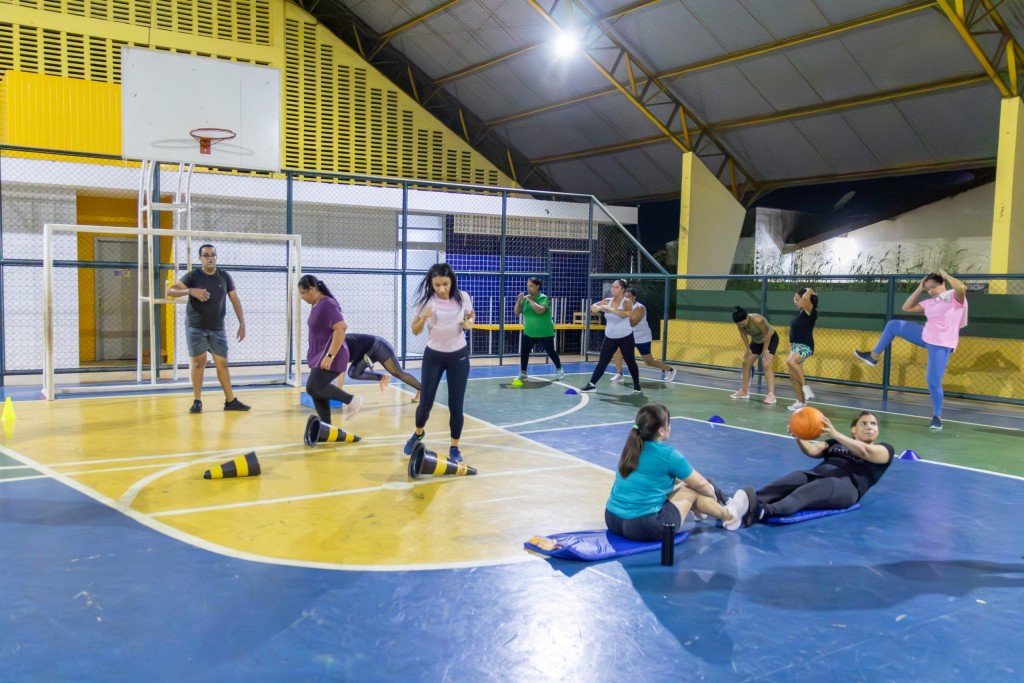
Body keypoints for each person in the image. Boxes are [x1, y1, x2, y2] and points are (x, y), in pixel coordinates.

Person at [605, 404, 752, 541]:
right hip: (643, 527)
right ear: (661, 430)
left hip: (612, 520)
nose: (670, 426)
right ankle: (730, 516)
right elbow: (701, 484)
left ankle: (699, 511)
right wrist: (713, 496)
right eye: (668, 423)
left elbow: (657, 479)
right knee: (692, 489)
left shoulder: (630, 449)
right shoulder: (668, 455)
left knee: (684, 485)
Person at [854, 270, 967, 431]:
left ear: (942, 284)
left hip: (941, 343)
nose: (931, 291)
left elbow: (961, 287)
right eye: (928, 288)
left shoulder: (954, 298)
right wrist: (920, 288)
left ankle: (937, 418)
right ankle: (873, 356)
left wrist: (946, 275)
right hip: (925, 335)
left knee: (933, 382)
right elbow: (906, 307)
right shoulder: (929, 302)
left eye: (934, 286)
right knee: (893, 325)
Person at [745, 411, 894, 525]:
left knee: (803, 494)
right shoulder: (835, 443)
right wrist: (798, 435)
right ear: (854, 429)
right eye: (864, 423)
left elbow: (865, 451)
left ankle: (764, 511)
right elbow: (812, 450)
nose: (869, 427)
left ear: (877, 430)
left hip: (846, 485)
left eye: (873, 424)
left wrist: (836, 434)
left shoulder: (885, 450)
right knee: (784, 483)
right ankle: (741, 503)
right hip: (818, 473)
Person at [403, 263, 474, 463]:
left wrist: (469, 322)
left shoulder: (463, 297)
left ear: (452, 281)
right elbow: (415, 330)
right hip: (433, 356)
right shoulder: (427, 301)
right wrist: (424, 317)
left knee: (456, 405)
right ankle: (418, 433)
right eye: (437, 285)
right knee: (425, 403)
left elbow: (470, 315)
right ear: (431, 284)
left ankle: (454, 447)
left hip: (458, 357)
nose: (441, 289)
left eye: (445, 284)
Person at [168, 243, 250, 413]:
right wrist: (190, 291)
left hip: (217, 328)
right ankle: (197, 400)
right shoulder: (193, 276)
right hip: (196, 327)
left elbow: (235, 299)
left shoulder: (224, 276)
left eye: (212, 255)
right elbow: (171, 291)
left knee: (223, 363)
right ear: (200, 258)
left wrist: (242, 323)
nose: (210, 258)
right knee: (199, 362)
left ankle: (230, 401)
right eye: (206, 255)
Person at [298, 275, 363, 425]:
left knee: (313, 387)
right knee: (317, 391)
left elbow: (341, 327)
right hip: (320, 355)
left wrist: (330, 356)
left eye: (303, 293)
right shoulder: (317, 304)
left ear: (312, 289)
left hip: (332, 355)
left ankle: (352, 400)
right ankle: (326, 426)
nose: (302, 297)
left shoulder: (327, 304)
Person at [580, 279, 642, 394]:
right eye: (613, 287)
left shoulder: (627, 302)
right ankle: (592, 384)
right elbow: (593, 307)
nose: (613, 289)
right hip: (610, 338)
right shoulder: (607, 301)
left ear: (622, 290)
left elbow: (627, 314)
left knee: (630, 361)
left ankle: (637, 385)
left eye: (616, 287)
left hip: (625, 337)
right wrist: (600, 308)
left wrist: (610, 309)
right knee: (603, 361)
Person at [609, 287, 676, 383]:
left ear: (634, 297)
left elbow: (633, 323)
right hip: (628, 336)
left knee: (649, 361)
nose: (626, 298)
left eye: (629, 296)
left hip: (642, 337)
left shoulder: (640, 308)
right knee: (617, 350)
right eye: (625, 296)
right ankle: (619, 374)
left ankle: (670, 370)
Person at [336, 332, 422, 402]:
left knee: (397, 372)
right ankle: (382, 378)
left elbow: (341, 371)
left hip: (379, 347)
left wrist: (338, 393)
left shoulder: (339, 345)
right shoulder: (330, 349)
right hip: (367, 353)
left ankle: (423, 390)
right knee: (353, 373)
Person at [515, 277, 564, 381]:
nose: (528, 288)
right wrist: (519, 301)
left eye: (531, 286)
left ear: (537, 286)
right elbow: (516, 312)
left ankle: (560, 370)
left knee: (551, 352)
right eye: (528, 286)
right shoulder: (525, 299)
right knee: (524, 352)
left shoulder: (543, 298)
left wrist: (530, 300)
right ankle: (523, 374)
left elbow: (540, 310)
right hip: (529, 332)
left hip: (544, 332)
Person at [730, 306, 779, 405]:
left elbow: (767, 334)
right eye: (739, 324)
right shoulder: (739, 323)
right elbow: (743, 334)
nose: (741, 325)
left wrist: (765, 349)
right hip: (757, 341)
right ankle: (744, 391)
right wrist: (748, 348)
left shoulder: (757, 320)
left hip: (770, 339)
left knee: (766, 364)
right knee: (746, 363)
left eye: (743, 322)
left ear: (747, 316)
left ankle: (771, 395)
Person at [786, 287, 819, 412]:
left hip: (805, 346)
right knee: (793, 375)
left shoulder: (810, 311)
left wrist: (808, 290)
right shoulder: (800, 313)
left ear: (805, 300)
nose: (795, 301)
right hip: (795, 346)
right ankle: (801, 402)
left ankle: (806, 387)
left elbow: (807, 294)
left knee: (790, 361)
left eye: (797, 298)